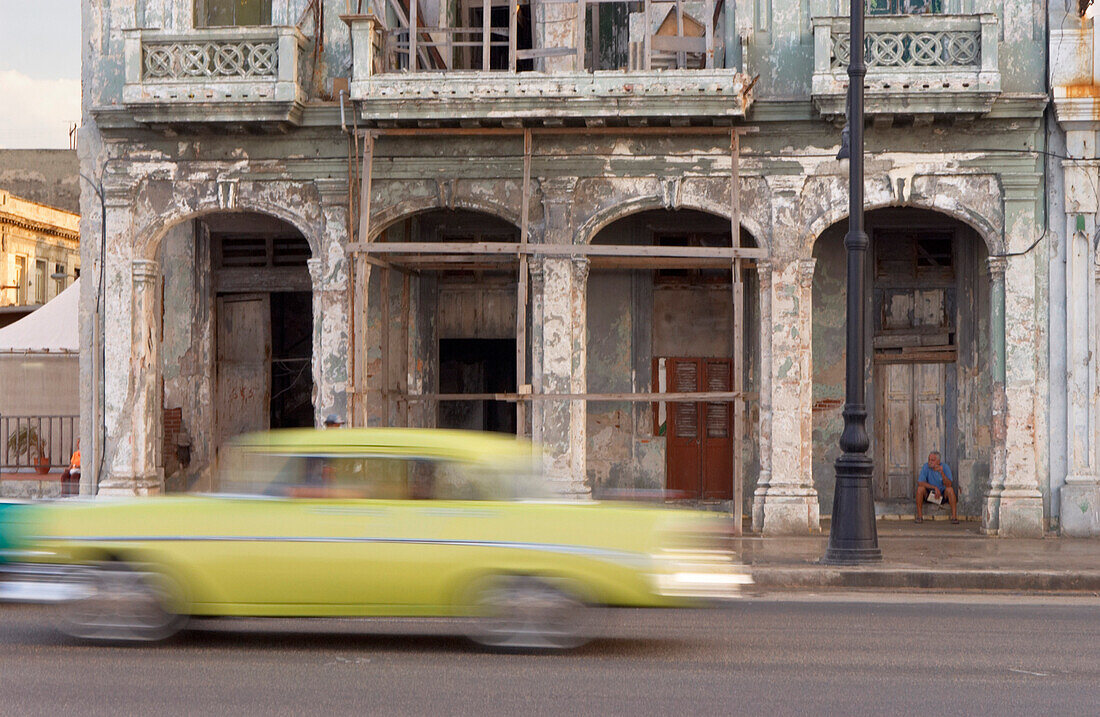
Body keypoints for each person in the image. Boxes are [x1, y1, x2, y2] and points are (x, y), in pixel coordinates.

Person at [915, 450, 958, 524]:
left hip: (942, 495)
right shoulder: (926, 467)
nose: (930, 462)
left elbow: (949, 484)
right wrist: (934, 487)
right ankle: (919, 516)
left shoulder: (945, 467)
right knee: (920, 489)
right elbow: (920, 482)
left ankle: (954, 517)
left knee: (950, 490)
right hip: (930, 494)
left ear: (938, 461)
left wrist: (942, 473)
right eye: (929, 459)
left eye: (932, 460)